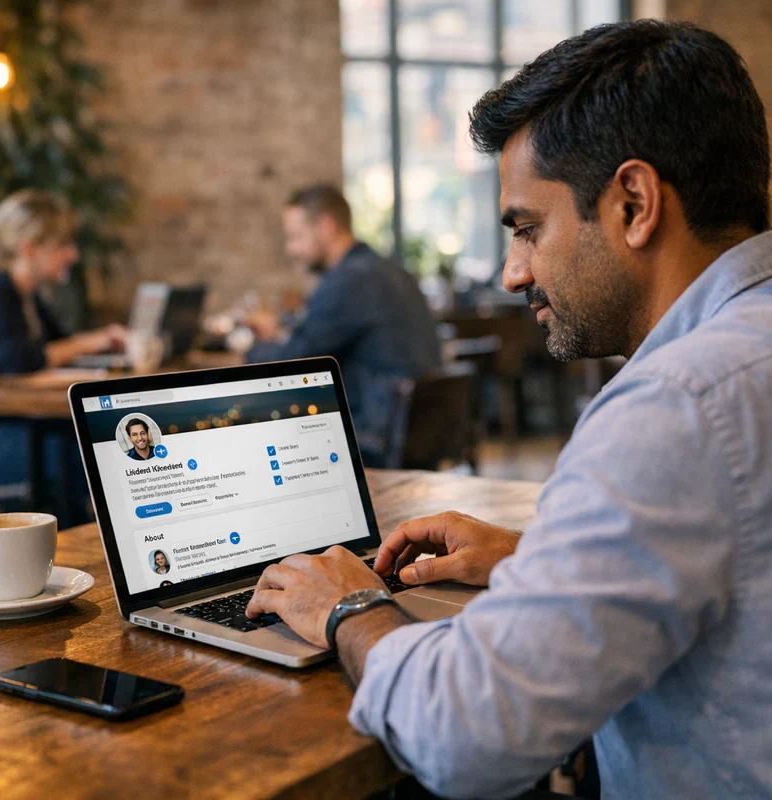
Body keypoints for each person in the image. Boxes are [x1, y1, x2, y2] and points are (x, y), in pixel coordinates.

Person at [246, 20, 772, 799]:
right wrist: (545, 562)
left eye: (528, 229)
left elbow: (464, 736)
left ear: (634, 203)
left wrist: (349, 606)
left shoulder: (675, 406)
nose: (513, 272)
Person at [244, 185, 441, 465]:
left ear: (326, 227)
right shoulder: (389, 269)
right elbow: (320, 336)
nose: (291, 250)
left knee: (269, 445)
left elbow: (293, 362)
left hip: (375, 437)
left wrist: (252, 349)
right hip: (420, 433)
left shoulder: (349, 280)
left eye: (296, 237)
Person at [0, 190, 125, 503]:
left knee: (100, 445)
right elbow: (17, 360)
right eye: (63, 245)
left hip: (27, 426)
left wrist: (101, 343)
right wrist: (88, 343)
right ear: (29, 248)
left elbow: (60, 345)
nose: (73, 255)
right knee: (96, 454)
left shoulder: (29, 296)